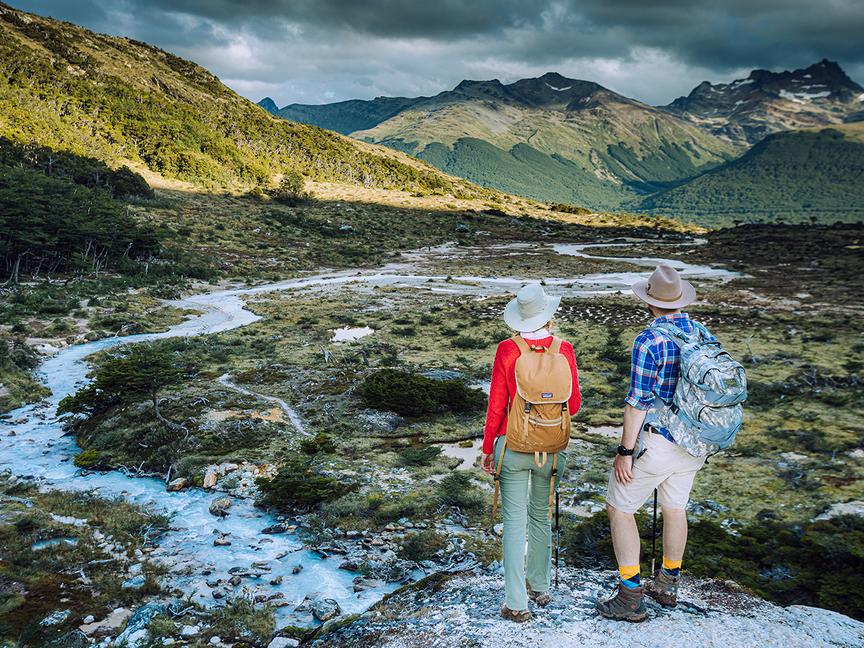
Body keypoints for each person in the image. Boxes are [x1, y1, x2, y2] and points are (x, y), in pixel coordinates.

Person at [596, 263, 715, 622]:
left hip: (658, 442)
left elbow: (637, 403)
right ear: (679, 300)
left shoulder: (649, 341)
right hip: (695, 442)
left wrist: (625, 451)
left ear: (649, 302)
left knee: (620, 508)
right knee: (675, 508)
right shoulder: (701, 332)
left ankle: (630, 595)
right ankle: (667, 583)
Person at [481, 283, 581, 622]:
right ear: (548, 316)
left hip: (513, 447)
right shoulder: (564, 349)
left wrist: (488, 449)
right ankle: (539, 587)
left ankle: (516, 603)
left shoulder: (508, 350)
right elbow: (574, 405)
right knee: (541, 516)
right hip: (552, 449)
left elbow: (496, 407)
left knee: (514, 523)